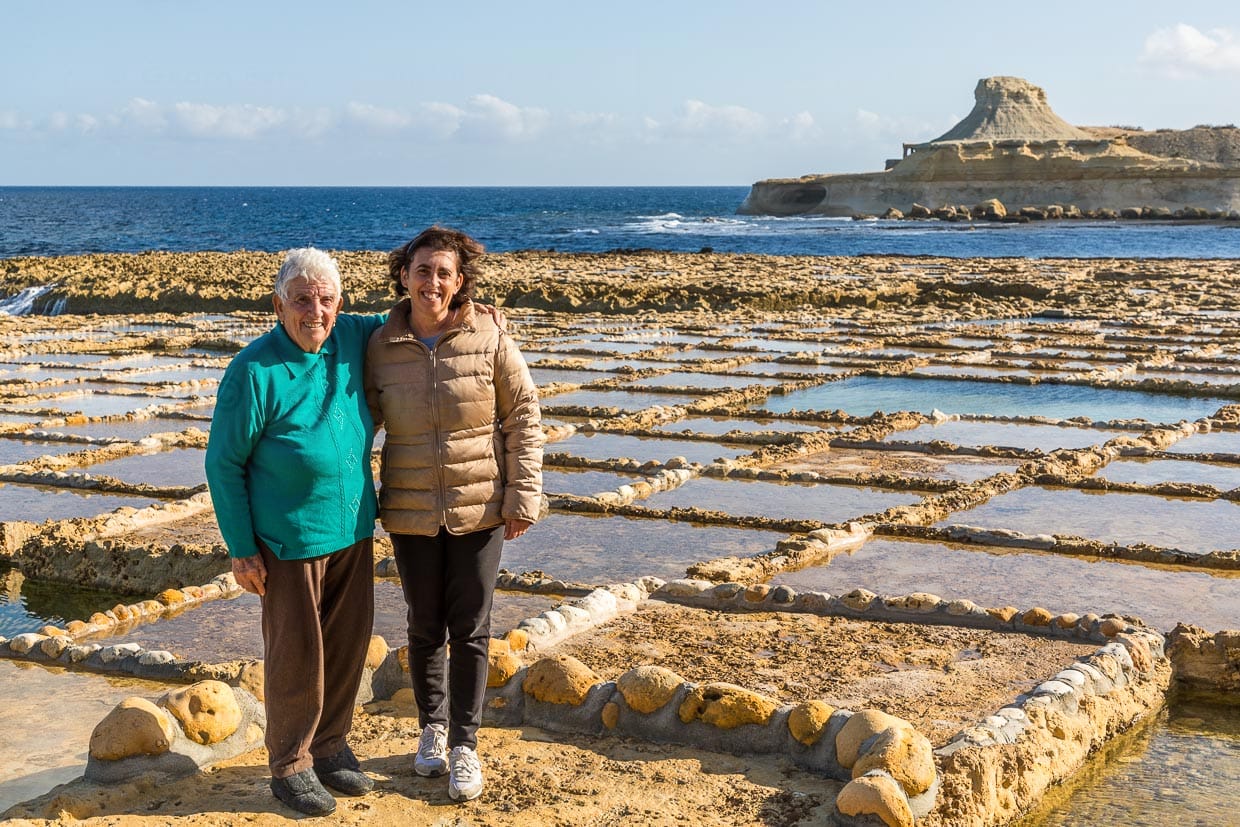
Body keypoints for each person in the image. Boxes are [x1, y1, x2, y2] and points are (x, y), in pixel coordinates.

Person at [364, 225, 543, 803]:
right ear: (403, 276)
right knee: (423, 627)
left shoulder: (489, 333)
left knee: (470, 630)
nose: (432, 282)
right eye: (422, 271)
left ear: (460, 280)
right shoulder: (380, 343)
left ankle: (465, 745)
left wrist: (522, 497)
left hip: (480, 507)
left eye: (444, 273)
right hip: (411, 509)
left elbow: (523, 416)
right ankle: (431, 730)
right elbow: (356, 424)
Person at [205, 248, 382, 817]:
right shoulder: (254, 370)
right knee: (296, 656)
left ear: (340, 304)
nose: (315, 310)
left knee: (347, 648)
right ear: (278, 303)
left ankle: (330, 747)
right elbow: (223, 464)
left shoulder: (349, 338)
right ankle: (289, 765)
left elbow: (414, 315)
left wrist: (474, 314)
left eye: (326, 299)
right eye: (302, 299)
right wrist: (242, 549)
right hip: (288, 540)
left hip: (352, 528)